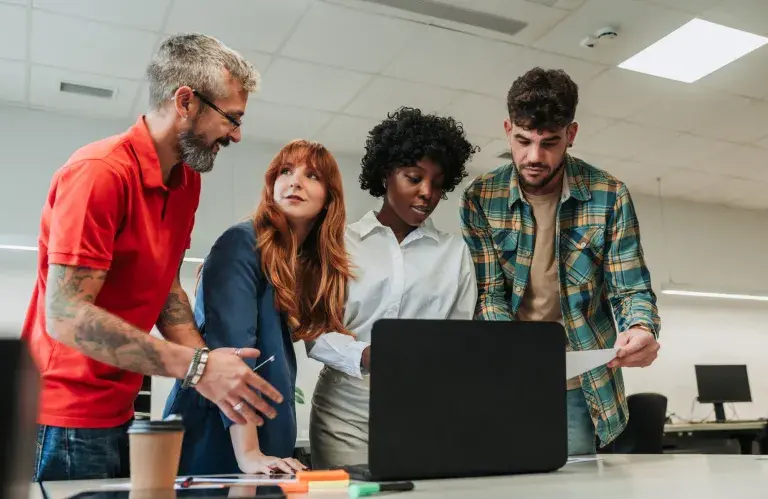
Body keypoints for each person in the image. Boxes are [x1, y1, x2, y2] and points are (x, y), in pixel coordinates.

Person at [24, 33, 284, 482]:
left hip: (121, 409)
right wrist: (197, 366)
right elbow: (65, 315)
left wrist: (211, 369)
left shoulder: (185, 182)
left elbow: (165, 289)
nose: (237, 135)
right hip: (60, 415)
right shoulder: (100, 173)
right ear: (186, 101)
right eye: (231, 118)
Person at [459, 67, 661, 455]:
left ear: (571, 134)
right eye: (523, 141)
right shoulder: (481, 197)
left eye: (549, 142)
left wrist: (640, 326)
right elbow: (489, 296)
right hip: (509, 376)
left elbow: (629, 287)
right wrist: (518, 354)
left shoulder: (609, 195)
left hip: (581, 386)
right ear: (507, 130)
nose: (534, 156)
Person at [163, 139, 352, 475]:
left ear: (329, 200)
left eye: (312, 176)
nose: (294, 181)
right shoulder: (242, 242)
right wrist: (249, 453)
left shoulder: (297, 265)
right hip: (219, 440)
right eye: (285, 171)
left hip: (262, 443)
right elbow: (231, 353)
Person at [307, 107, 479, 469]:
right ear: (386, 174)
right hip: (345, 412)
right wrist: (367, 356)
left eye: (437, 182)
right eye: (413, 178)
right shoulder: (339, 243)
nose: (426, 193)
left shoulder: (455, 253)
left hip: (423, 411)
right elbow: (315, 332)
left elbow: (460, 336)